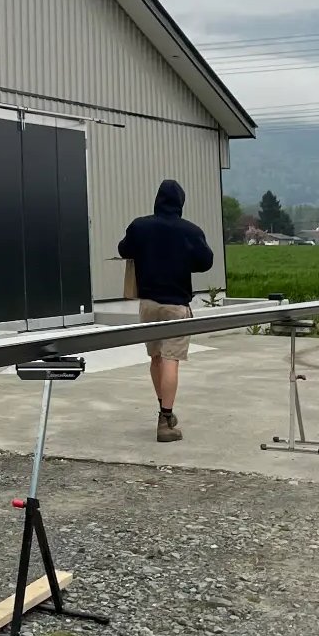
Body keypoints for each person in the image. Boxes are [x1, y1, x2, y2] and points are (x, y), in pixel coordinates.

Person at [118, 179, 215, 443]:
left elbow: (123, 249)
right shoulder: (190, 231)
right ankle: (165, 418)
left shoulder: (140, 226)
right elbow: (205, 262)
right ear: (180, 203)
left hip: (148, 304)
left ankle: (164, 408)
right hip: (175, 304)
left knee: (156, 358)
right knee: (172, 359)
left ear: (157, 200)